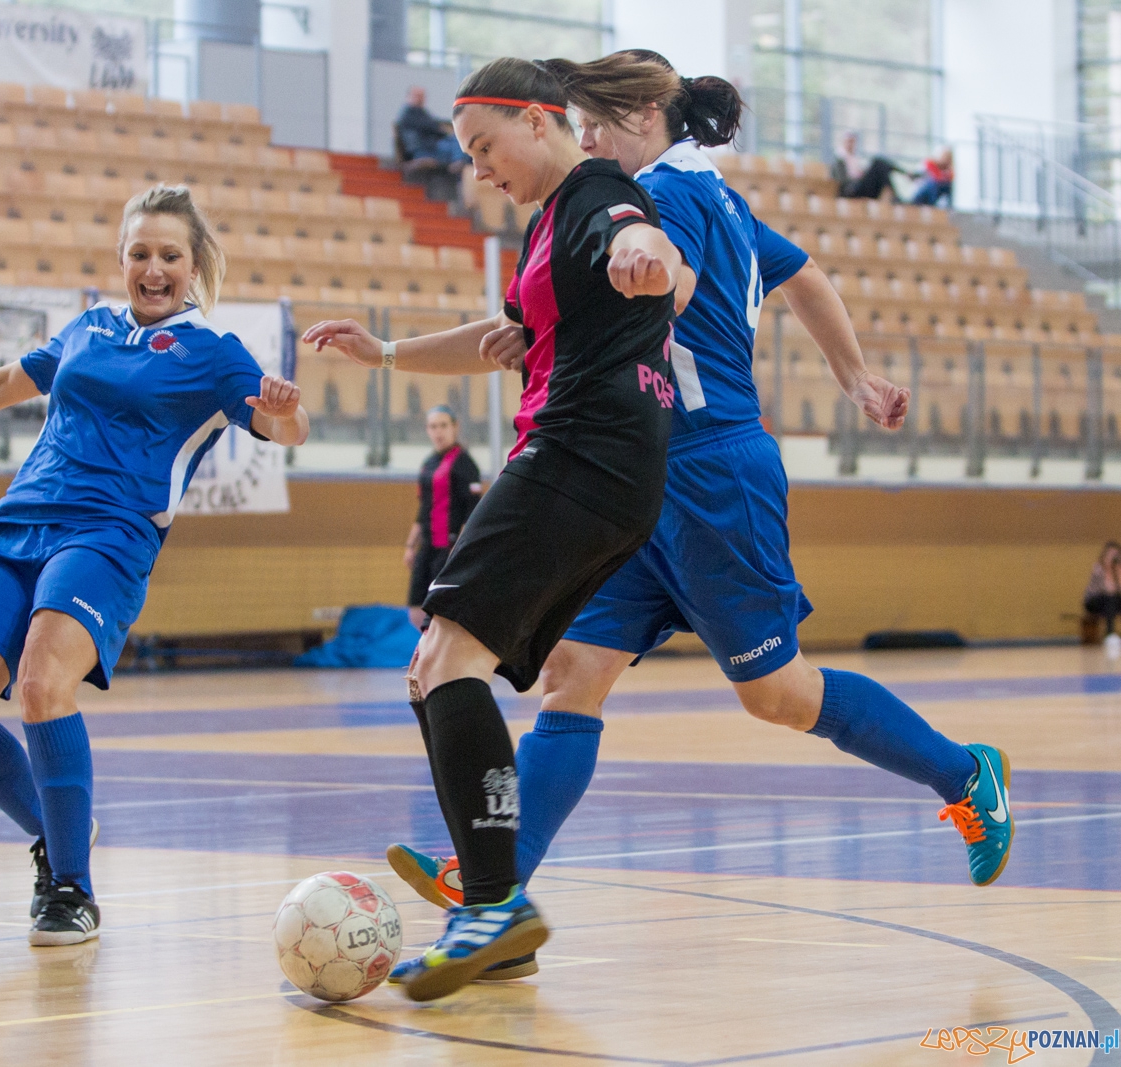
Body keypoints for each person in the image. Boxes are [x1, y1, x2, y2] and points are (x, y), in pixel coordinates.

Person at [384, 53, 1016, 981]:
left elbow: (658, 264)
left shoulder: (655, 200)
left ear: (643, 117)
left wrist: (645, 271)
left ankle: (965, 773)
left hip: (712, 467)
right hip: (635, 468)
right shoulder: (713, 195)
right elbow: (803, 276)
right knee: (571, 677)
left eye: (594, 127)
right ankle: (499, 888)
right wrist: (854, 376)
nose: (586, 144)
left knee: (778, 694)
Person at [0, 184, 310, 948]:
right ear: (122, 259)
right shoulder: (88, 328)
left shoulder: (214, 353)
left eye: (170, 256)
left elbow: (286, 428)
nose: (153, 268)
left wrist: (285, 408)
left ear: (195, 266)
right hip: (20, 520)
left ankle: (69, 886)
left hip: (109, 533)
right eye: (140, 253)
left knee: (42, 683)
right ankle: (62, 833)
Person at [304, 57, 682, 1002]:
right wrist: (383, 349)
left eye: (485, 147)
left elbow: (644, 243)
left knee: (443, 664)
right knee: (435, 668)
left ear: (538, 119)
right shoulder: (548, 230)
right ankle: (495, 907)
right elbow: (496, 332)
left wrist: (650, 262)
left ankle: (494, 902)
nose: (478, 170)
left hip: (579, 455)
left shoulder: (598, 192)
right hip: (598, 468)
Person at [406, 405, 481, 626]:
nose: (438, 432)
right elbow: (423, 509)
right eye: (433, 427)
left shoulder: (464, 463)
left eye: (443, 426)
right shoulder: (429, 464)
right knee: (415, 607)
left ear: (454, 428)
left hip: (448, 547)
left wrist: (462, 548)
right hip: (427, 546)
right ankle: (425, 653)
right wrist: (411, 546)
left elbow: (473, 510)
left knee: (438, 609)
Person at [396, 86, 468, 172]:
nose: (420, 99)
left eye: (422, 96)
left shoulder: (419, 112)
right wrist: (443, 131)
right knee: (458, 140)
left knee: (460, 142)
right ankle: (458, 163)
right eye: (417, 96)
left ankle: (460, 163)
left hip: (430, 148)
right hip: (425, 150)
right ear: (408, 97)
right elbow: (431, 127)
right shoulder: (410, 113)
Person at [832, 129, 903, 200]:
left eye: (853, 142)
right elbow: (842, 181)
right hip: (851, 191)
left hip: (860, 186)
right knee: (877, 163)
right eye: (849, 141)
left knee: (881, 169)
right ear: (844, 142)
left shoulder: (854, 158)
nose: (851, 144)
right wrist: (858, 177)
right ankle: (896, 195)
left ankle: (895, 196)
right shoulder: (839, 159)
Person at [1084, 541, 1121, 659]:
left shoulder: (1119, 569)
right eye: (1111, 554)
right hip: (1095, 601)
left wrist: (1118, 573)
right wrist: (1109, 570)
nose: (1113, 557)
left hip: (1113, 601)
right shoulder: (1098, 568)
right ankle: (1110, 634)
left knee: (1112, 600)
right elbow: (1107, 590)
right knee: (1109, 598)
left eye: (1116, 554)